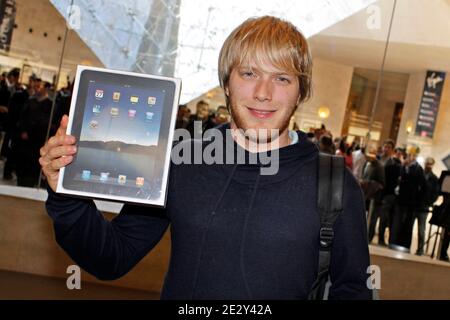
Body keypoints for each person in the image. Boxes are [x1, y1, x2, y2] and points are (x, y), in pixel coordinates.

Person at [39, 16, 371, 299]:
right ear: (227, 83)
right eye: (249, 73)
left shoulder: (333, 183)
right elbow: (111, 257)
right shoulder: (184, 161)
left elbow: (353, 289)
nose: (263, 94)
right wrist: (66, 195)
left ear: (302, 91)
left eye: (281, 78)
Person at [390, 146, 427, 251]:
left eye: (413, 155)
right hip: (400, 200)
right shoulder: (403, 166)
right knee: (396, 223)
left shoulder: (418, 169)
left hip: (410, 202)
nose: (411, 157)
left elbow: (423, 187)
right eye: (410, 155)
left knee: (407, 224)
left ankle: (404, 245)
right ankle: (393, 242)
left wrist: (417, 201)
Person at [414, 157, 439, 255]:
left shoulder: (434, 179)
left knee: (421, 230)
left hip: (424, 207)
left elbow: (435, 194)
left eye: (430, 164)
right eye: (426, 163)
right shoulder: (419, 174)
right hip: (415, 205)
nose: (427, 166)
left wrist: (428, 202)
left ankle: (420, 250)